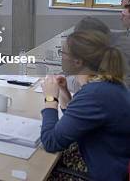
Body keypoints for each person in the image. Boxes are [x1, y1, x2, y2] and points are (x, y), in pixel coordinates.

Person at [40, 30, 130, 181]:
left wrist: (50, 99)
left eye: (63, 52)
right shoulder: (106, 85)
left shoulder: (95, 94)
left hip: (99, 172)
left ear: (78, 62)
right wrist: (63, 91)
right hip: (111, 160)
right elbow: (78, 120)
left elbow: (51, 142)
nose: (60, 55)